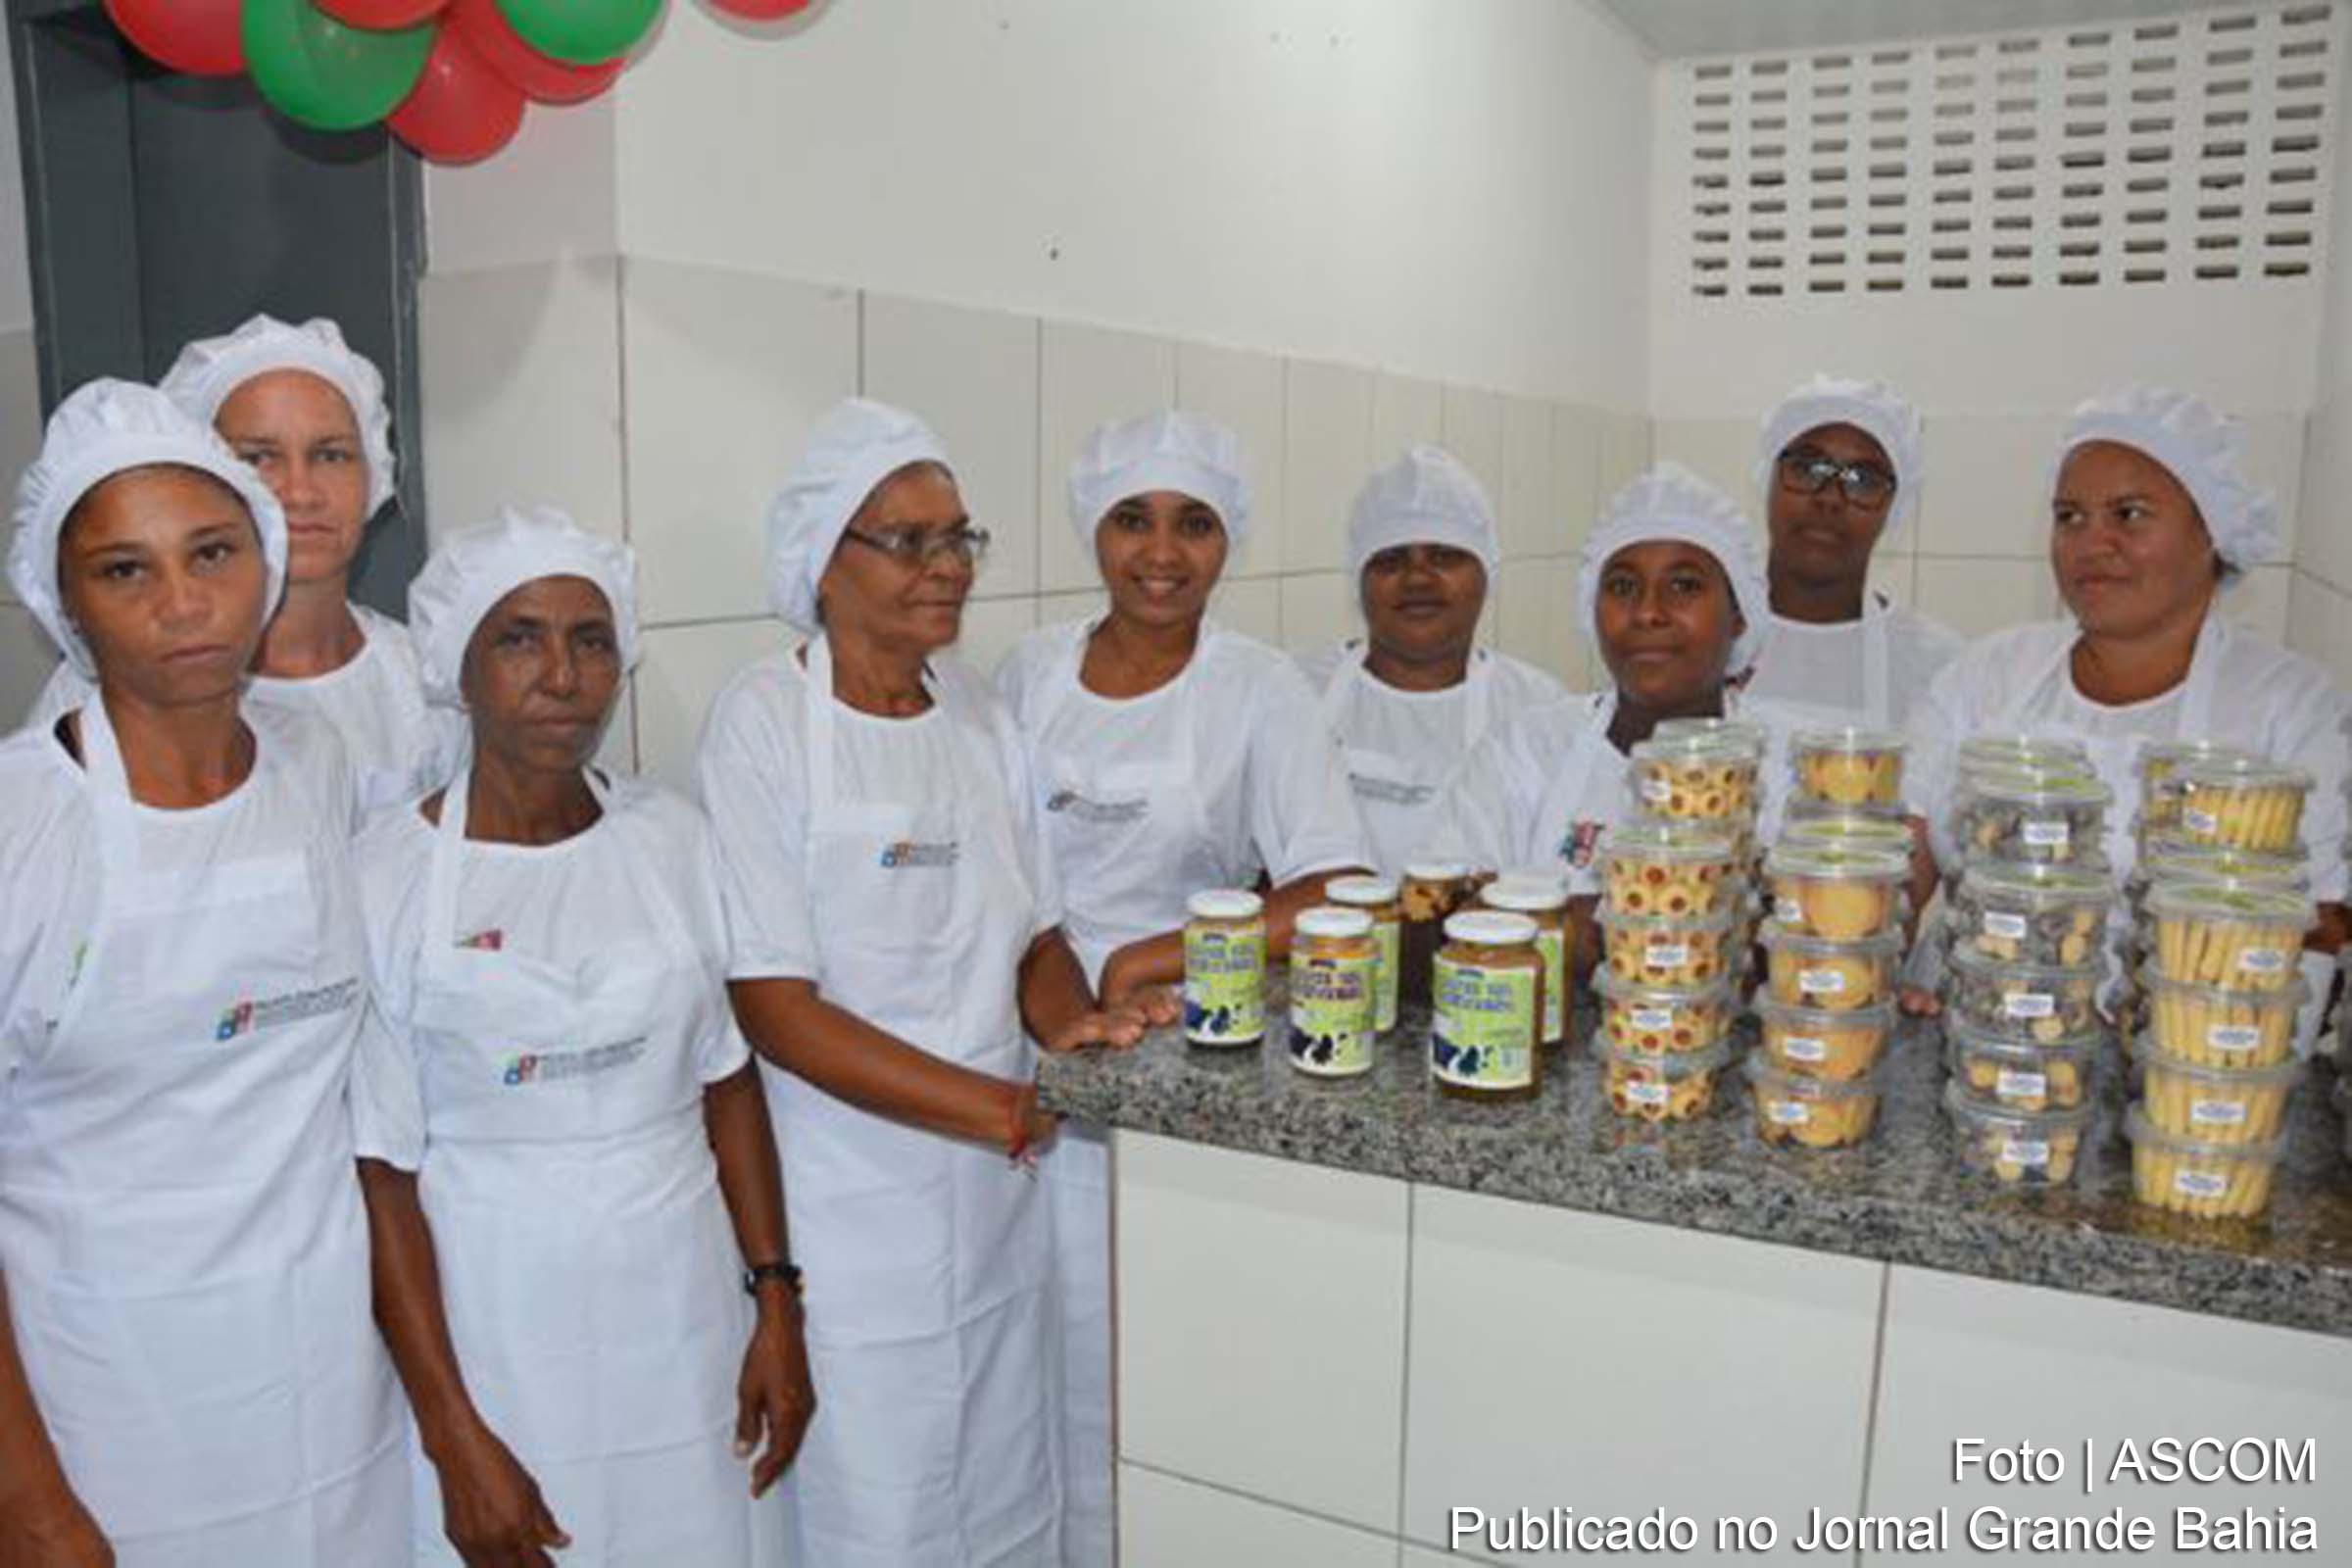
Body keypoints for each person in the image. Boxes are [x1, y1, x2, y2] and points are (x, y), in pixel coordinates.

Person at [698, 399, 1156, 1567]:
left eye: (958, 539)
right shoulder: (763, 723)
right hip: (850, 1214)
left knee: (1006, 1492)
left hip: (997, 1210)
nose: (946, 567)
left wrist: (1080, 1031)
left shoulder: (981, 714)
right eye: (907, 540)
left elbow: (1033, 941)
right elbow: (776, 1009)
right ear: (823, 560)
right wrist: (1003, 1109)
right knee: (880, 1511)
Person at [350, 507, 810, 1566]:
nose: (561, 675)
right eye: (518, 638)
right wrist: (452, 1433)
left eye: (590, 640)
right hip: (496, 1321)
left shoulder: (673, 837)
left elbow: (727, 1083)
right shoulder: (386, 875)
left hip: (682, 1303)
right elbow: (382, 1178)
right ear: (457, 668)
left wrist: (775, 1304)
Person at [0, 381, 408, 1564]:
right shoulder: (25, 823)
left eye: (213, 552)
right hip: (112, 1414)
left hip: (330, 1394)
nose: (184, 604)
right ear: (64, 604)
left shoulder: (313, 761)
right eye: (125, 572)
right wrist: (29, 1501)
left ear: (264, 559)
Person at [995, 410, 1371, 1567]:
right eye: (1133, 520)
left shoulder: (1258, 689)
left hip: (1170, 1065)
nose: (1162, 551)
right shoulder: (1026, 672)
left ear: (1228, 541)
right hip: (1023, 1048)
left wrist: (1149, 958)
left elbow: (1340, 886)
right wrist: (1064, 987)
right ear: (1091, 534)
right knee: (1030, 1367)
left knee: (1140, 1364)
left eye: (1194, 524)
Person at [1906, 387, 2348, 1026]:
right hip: (1971, 1046)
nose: (2092, 543)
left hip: (2189, 1074)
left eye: (2130, 514)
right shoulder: (1987, 675)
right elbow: (1899, 857)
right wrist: (1868, 970)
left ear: (2213, 533)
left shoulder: (2290, 708)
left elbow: (2322, 923)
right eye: (2070, 517)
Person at [24, 315, 459, 813]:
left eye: (331, 455)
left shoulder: (423, 684)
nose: (301, 492)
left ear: (374, 474)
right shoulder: (99, 695)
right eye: (257, 458)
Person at [1422, 463, 1804, 968]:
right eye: (1623, 588)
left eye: (1685, 586)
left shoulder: (1790, 770)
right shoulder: (1526, 749)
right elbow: (1439, 922)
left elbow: (1805, 945)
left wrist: (1561, 925)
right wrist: (1694, 924)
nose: (1649, 612)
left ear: (1739, 615)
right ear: (1591, 609)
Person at [1297, 445, 1566, 878]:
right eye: (1390, 559)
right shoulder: (1298, 692)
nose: (1418, 578)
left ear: (1487, 573)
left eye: (1445, 556)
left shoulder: (1539, 710)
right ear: (1358, 579)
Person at [1740, 375, 1962, 730]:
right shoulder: (1696, 642)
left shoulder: (1937, 668)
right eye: (1808, 468)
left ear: (1894, 508)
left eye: (1863, 480)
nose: (1829, 498)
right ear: (1767, 478)